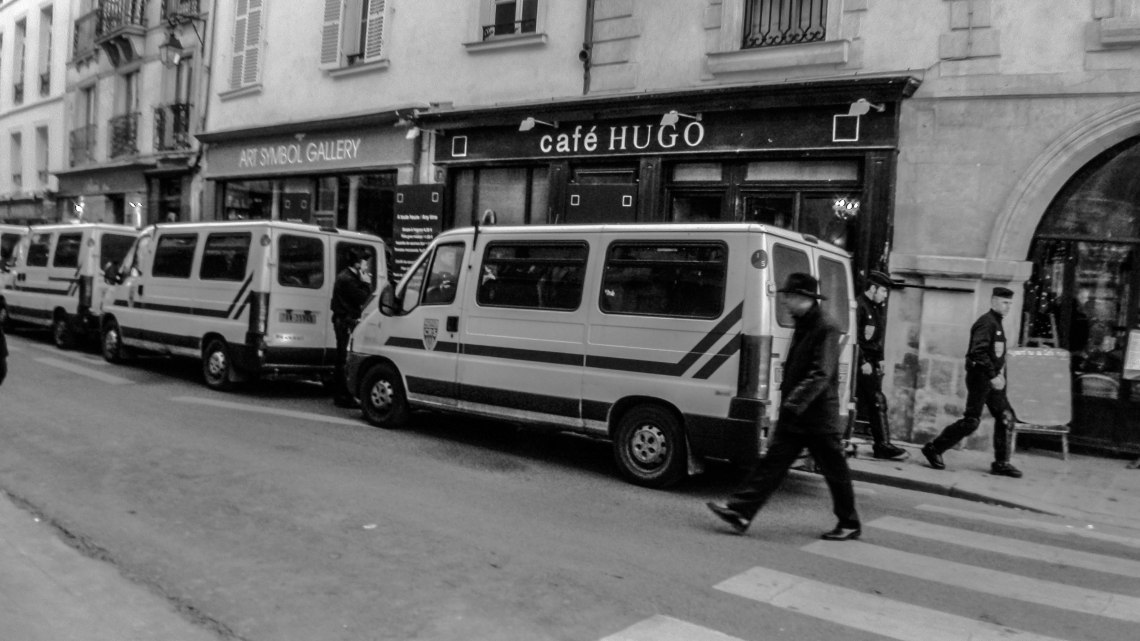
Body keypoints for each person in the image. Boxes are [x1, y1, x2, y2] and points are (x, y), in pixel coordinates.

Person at [707, 273, 862, 541]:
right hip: (797, 415)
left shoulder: (826, 327)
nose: (785, 302)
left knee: (835, 471)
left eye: (789, 296)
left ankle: (849, 523)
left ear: (804, 298)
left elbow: (820, 373)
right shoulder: (804, 323)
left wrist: (793, 404)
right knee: (772, 465)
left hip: (818, 416)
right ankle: (740, 512)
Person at [922, 287, 1023, 478]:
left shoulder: (996, 322)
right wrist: (993, 376)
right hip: (980, 377)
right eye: (1004, 302)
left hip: (990, 377)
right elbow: (978, 352)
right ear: (993, 301)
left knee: (1005, 416)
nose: (1008, 307)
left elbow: (994, 353)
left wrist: (998, 374)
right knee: (971, 421)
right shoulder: (986, 323)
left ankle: (1001, 463)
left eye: (1010, 303)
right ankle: (934, 448)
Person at [856, 271, 907, 460]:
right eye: (883, 291)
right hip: (861, 362)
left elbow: (876, 339)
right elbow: (855, 337)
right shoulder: (860, 306)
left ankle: (882, 444)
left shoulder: (875, 308)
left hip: (871, 362)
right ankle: (882, 445)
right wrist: (862, 361)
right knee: (876, 400)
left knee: (876, 401)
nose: (885, 296)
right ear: (873, 288)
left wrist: (881, 359)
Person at [330, 249, 373, 408]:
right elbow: (363, 297)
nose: (366, 265)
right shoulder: (349, 279)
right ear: (357, 263)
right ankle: (343, 396)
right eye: (364, 261)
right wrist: (366, 282)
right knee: (344, 360)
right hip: (346, 321)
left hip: (342, 320)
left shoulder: (346, 276)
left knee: (342, 358)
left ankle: (340, 394)